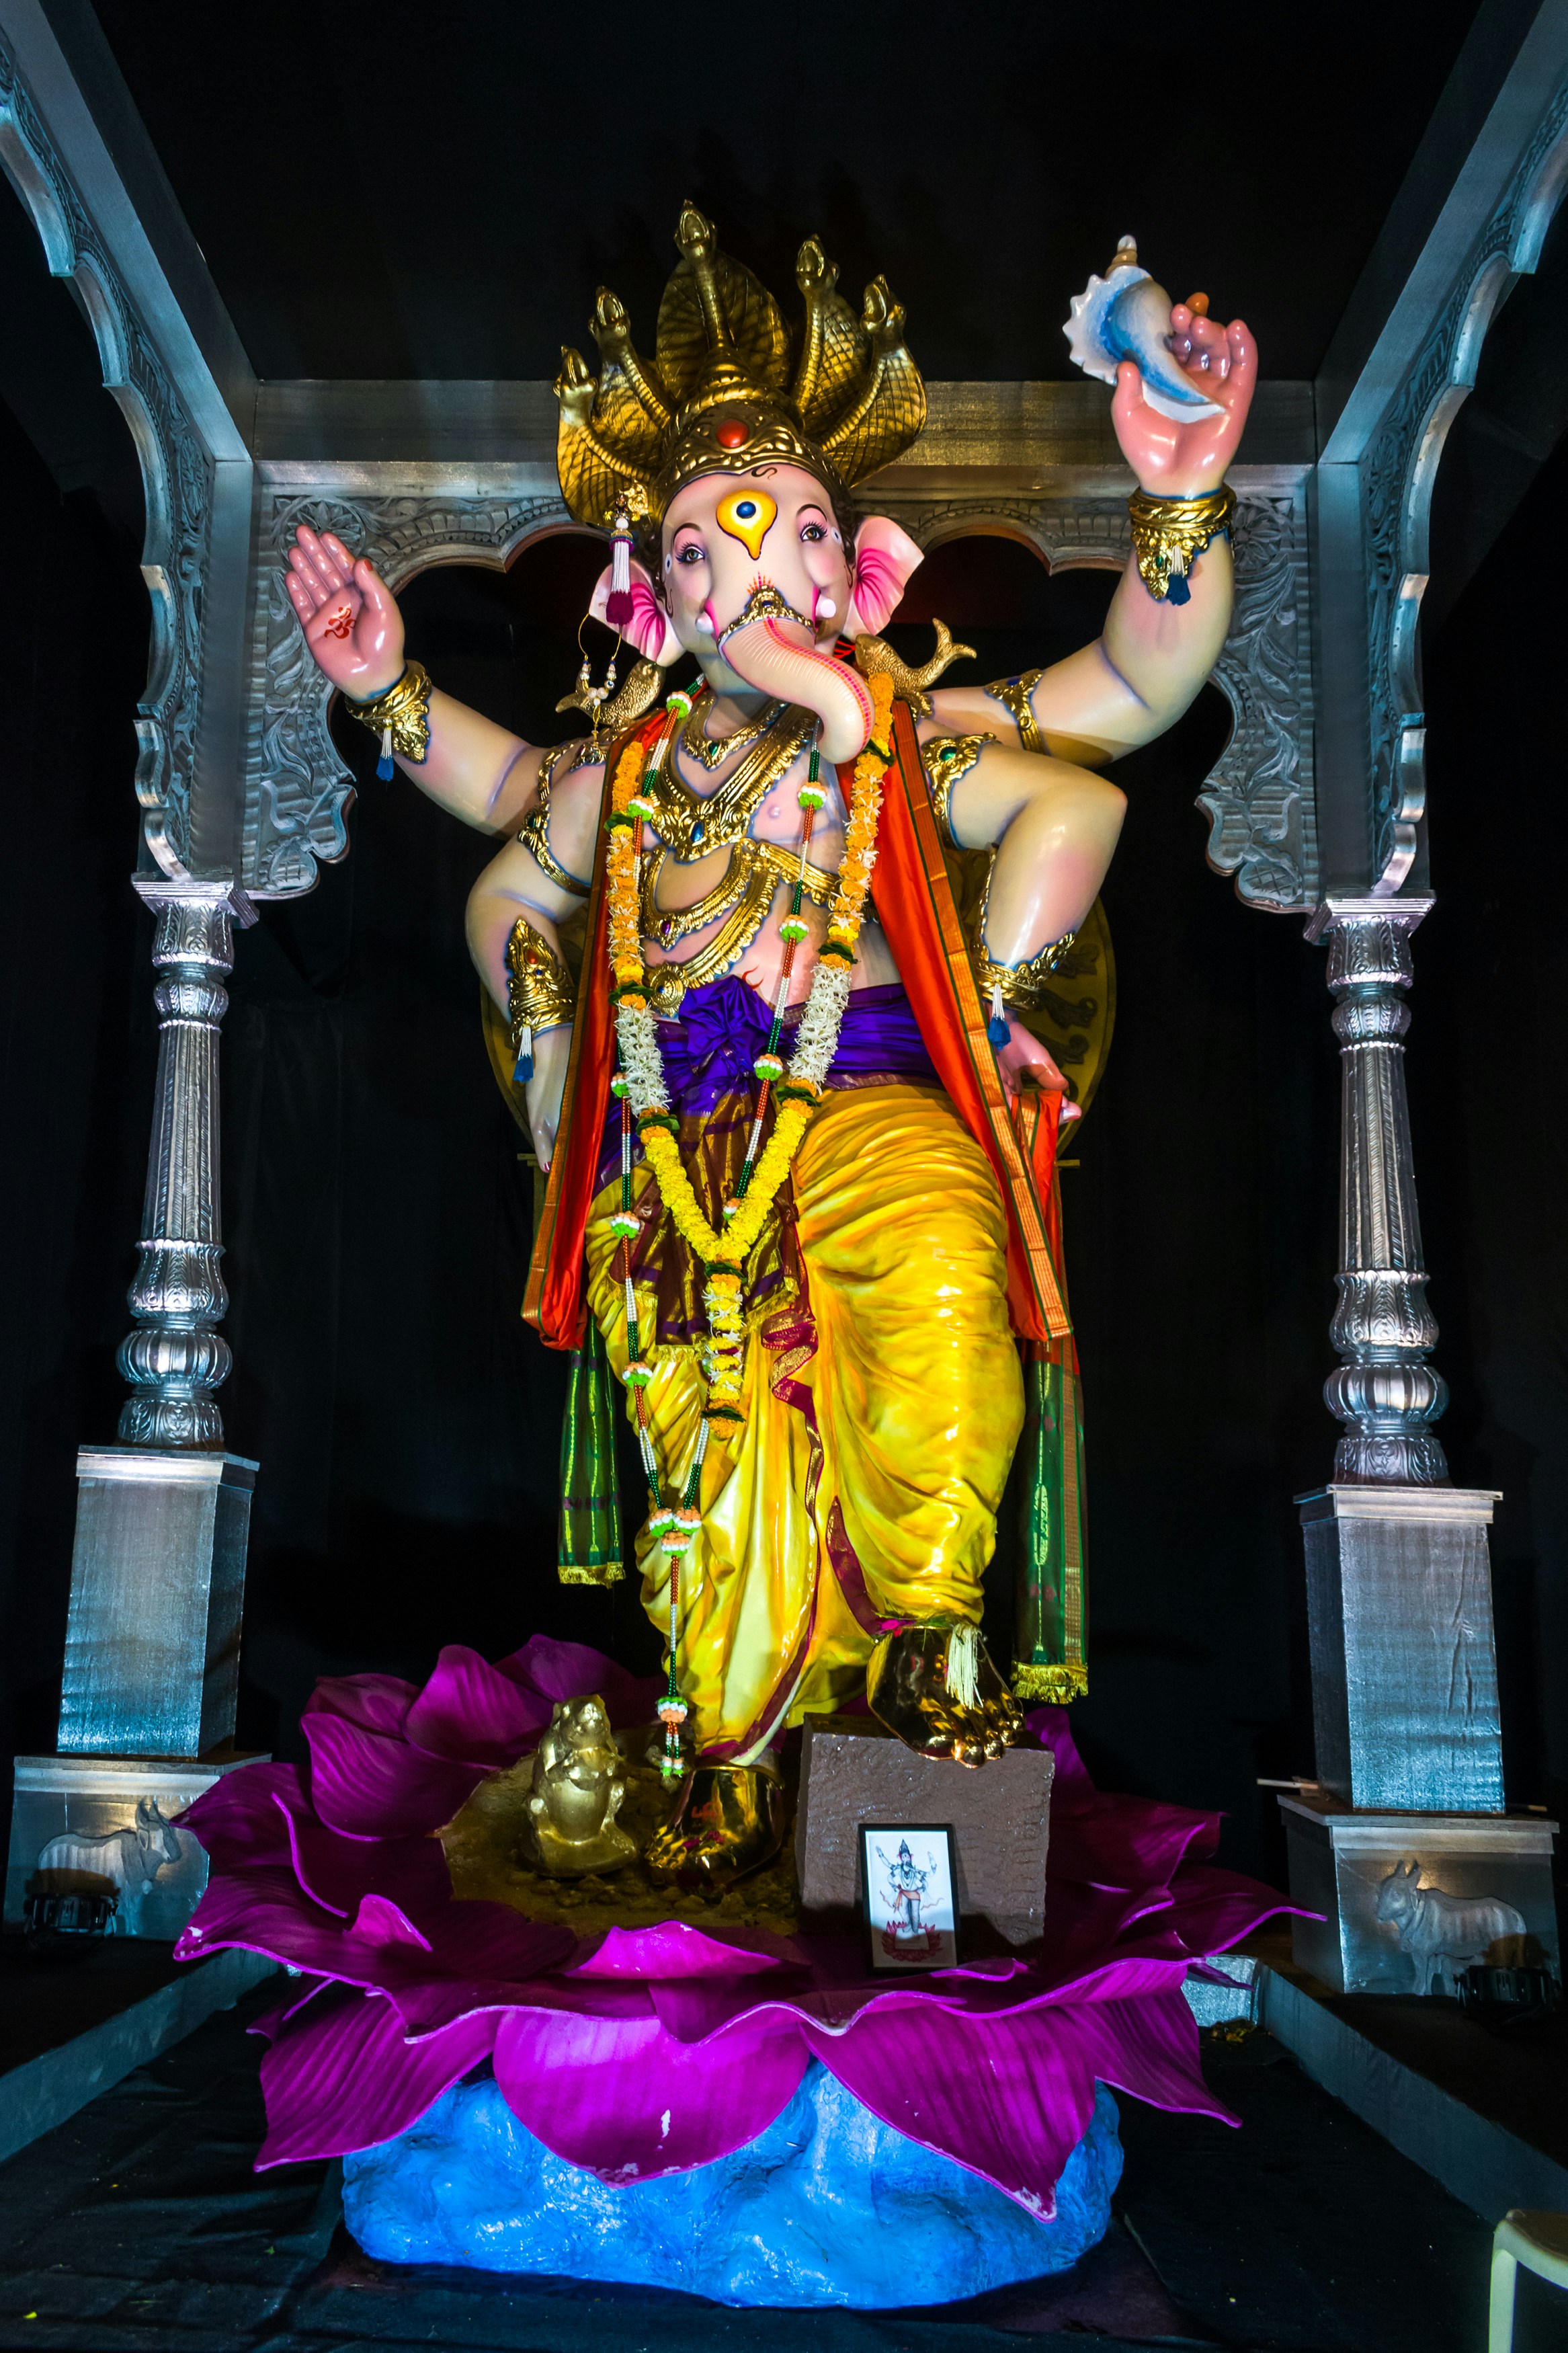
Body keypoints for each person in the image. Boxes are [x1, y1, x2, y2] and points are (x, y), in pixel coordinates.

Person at [283, 205, 1255, 1887]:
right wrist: (385, 688)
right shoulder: (636, 776)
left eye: (793, 526)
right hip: (688, 1153)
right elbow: (507, 805)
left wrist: (1179, 494)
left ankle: (932, 1677)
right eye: (706, 537)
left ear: (849, 567)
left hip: (872, 1095)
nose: (755, 558)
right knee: (716, 1454)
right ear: (651, 595)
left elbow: (1131, 693)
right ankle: (732, 1768)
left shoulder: (901, 743)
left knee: (944, 1291)